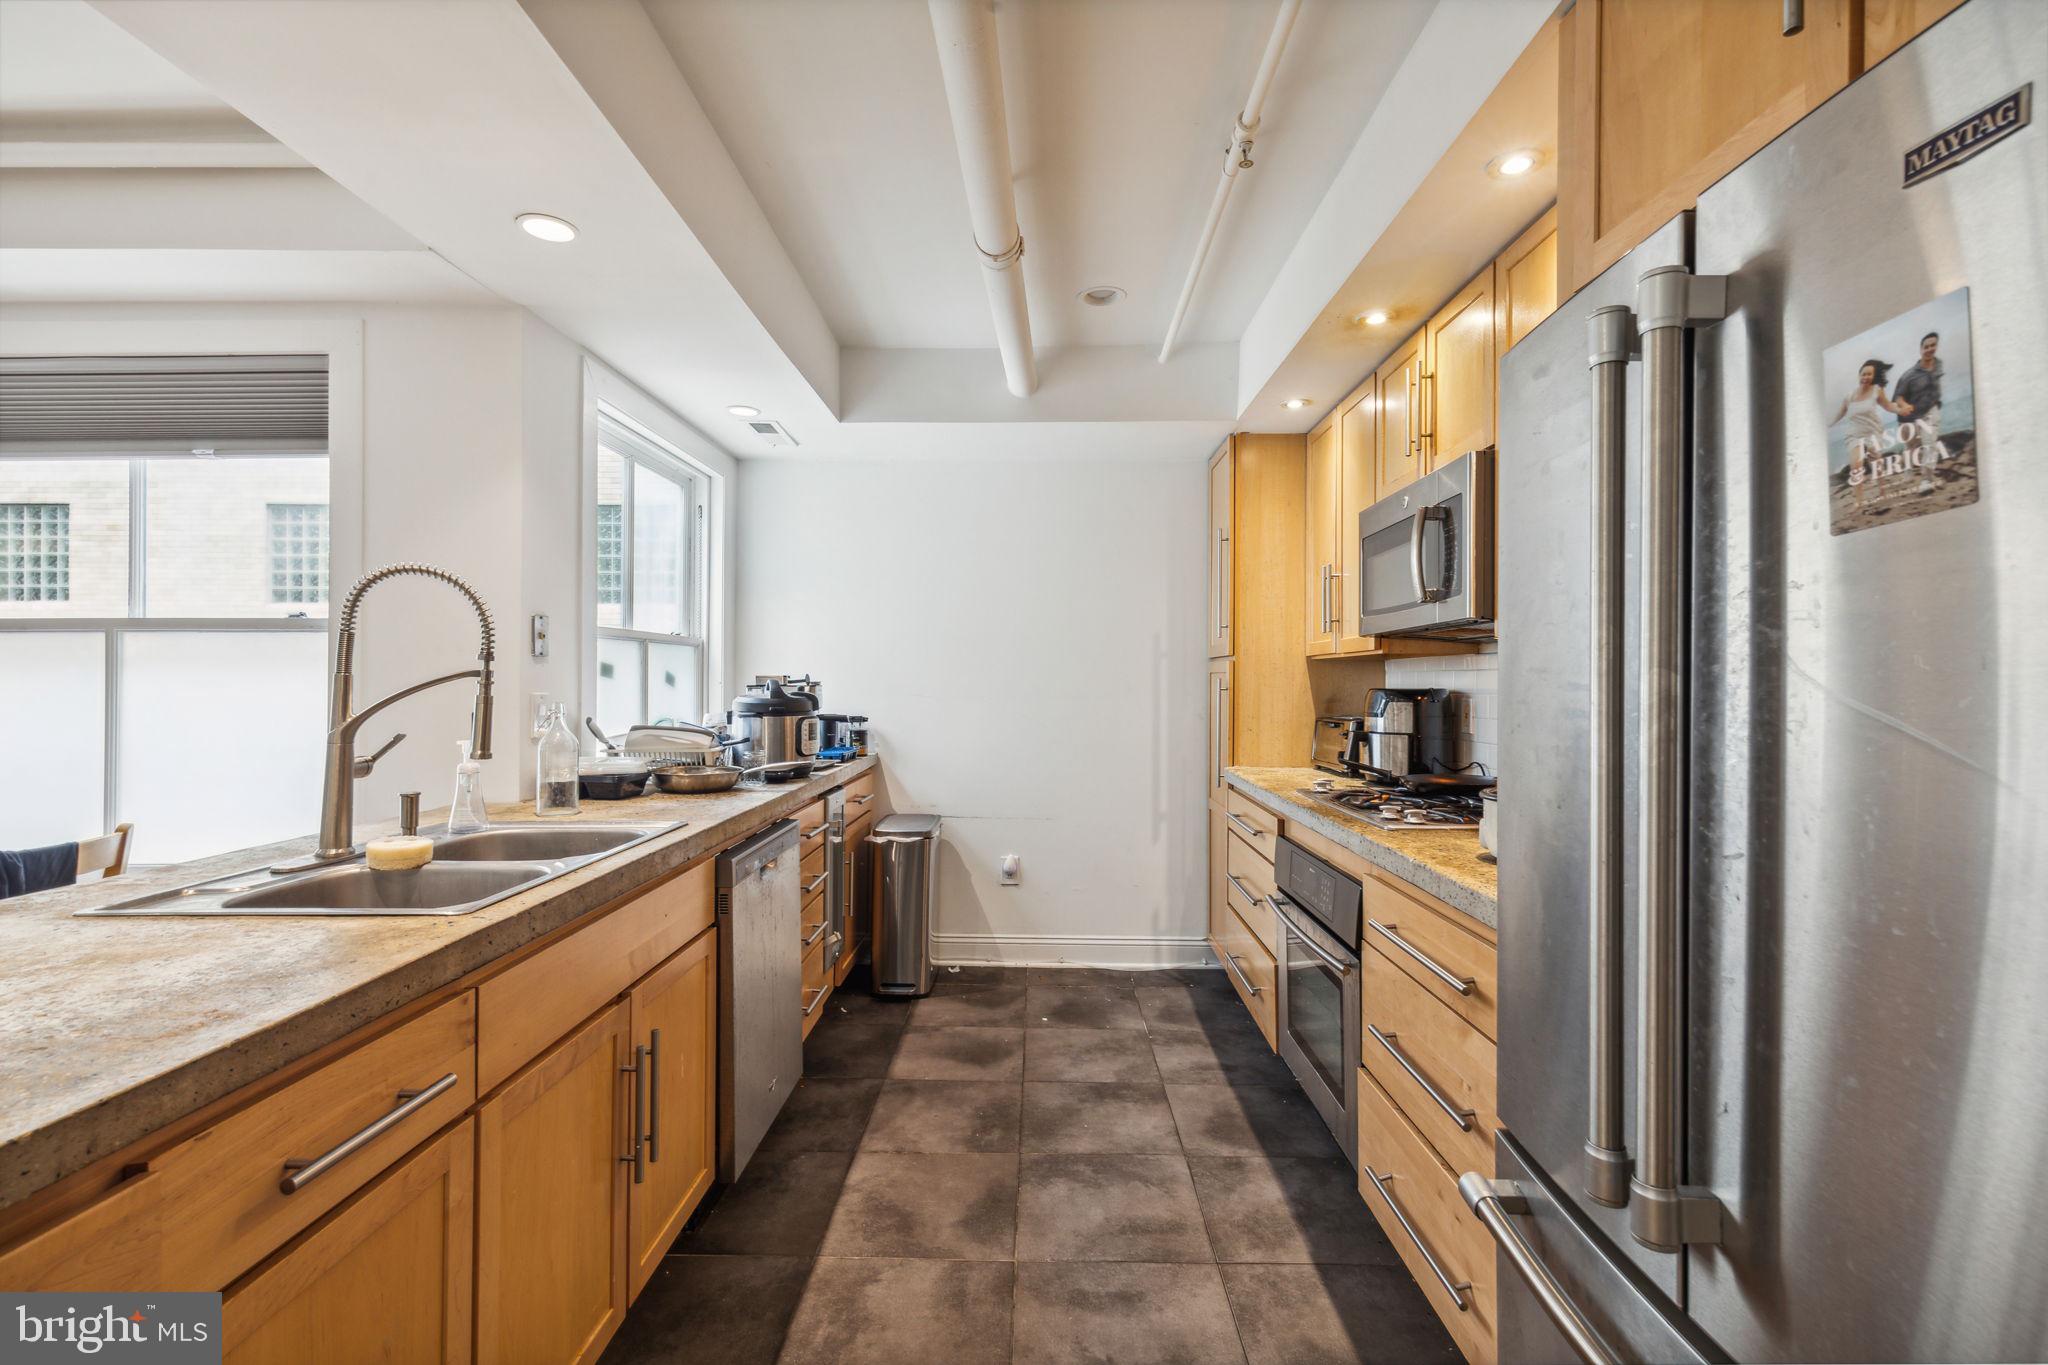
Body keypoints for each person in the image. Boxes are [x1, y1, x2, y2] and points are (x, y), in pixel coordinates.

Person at [1833, 359, 1910, 500]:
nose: (1866, 377)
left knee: (1877, 465)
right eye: (1863, 374)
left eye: (1869, 374)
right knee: (1856, 466)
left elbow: (1888, 406)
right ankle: (1859, 501)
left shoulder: (1876, 391)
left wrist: (1901, 410)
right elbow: (1841, 412)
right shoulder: (1850, 396)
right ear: (1859, 375)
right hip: (1854, 434)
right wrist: (1829, 423)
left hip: (1873, 431)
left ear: (1873, 376)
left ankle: (1882, 490)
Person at [1893, 331, 1944, 456]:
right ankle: (1908, 473)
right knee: (1911, 450)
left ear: (1936, 346)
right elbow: (1898, 397)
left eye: (1933, 345)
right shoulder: (1909, 375)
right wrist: (1904, 405)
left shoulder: (1938, 364)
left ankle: (1928, 476)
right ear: (1921, 350)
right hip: (1909, 418)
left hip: (1930, 412)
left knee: (1930, 446)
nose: (1930, 349)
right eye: (1926, 347)